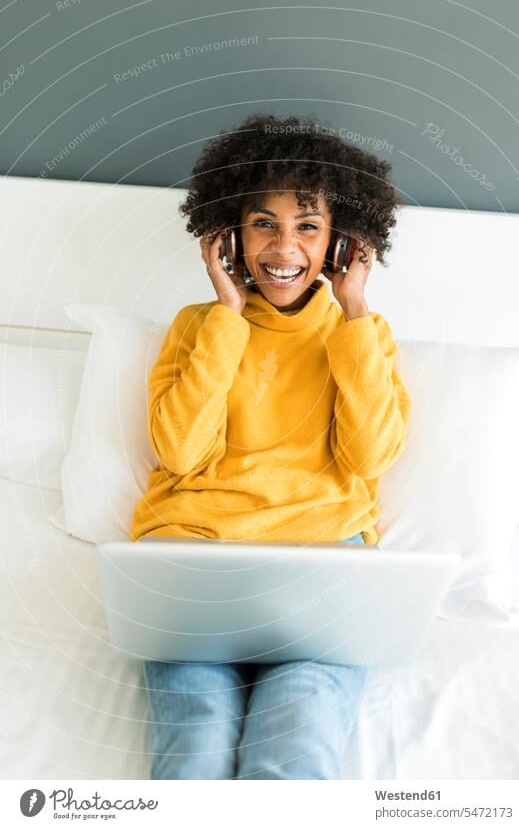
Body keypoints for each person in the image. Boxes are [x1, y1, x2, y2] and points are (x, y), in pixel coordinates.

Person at [130, 112, 412, 779]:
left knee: (295, 747)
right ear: (229, 232)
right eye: (263, 223)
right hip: (195, 553)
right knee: (196, 742)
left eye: (307, 226)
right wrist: (226, 313)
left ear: (341, 242)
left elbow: (369, 458)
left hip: (322, 564)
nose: (284, 247)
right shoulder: (198, 325)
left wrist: (352, 312)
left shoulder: (363, 333)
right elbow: (179, 452)